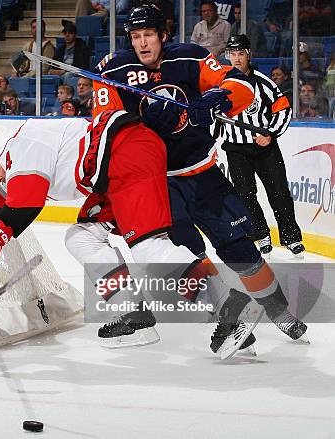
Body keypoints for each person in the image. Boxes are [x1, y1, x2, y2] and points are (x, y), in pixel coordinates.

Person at [0, 116, 253, 355]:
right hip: (114, 169)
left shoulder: (22, 144)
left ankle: (230, 308)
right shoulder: (20, 160)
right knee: (81, 237)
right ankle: (134, 313)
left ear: (0, 154)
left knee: (149, 246)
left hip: (126, 153)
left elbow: (24, 204)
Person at [90, 4, 307, 346]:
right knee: (185, 256)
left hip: (203, 174)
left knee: (239, 250)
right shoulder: (113, 68)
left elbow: (238, 84)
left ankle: (279, 310)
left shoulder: (190, 57)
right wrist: (141, 126)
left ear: (163, 35)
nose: (142, 44)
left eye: (148, 35)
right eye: (135, 37)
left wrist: (219, 97)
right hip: (157, 183)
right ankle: (228, 321)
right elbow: (103, 124)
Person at [219, 35, 304, 257]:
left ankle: (291, 237)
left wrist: (270, 133)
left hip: (265, 147)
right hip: (236, 149)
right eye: (232, 54)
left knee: (279, 192)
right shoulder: (219, 83)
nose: (236, 59)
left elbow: (283, 109)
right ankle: (260, 234)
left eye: (240, 53)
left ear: (248, 54)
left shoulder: (263, 82)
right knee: (245, 195)